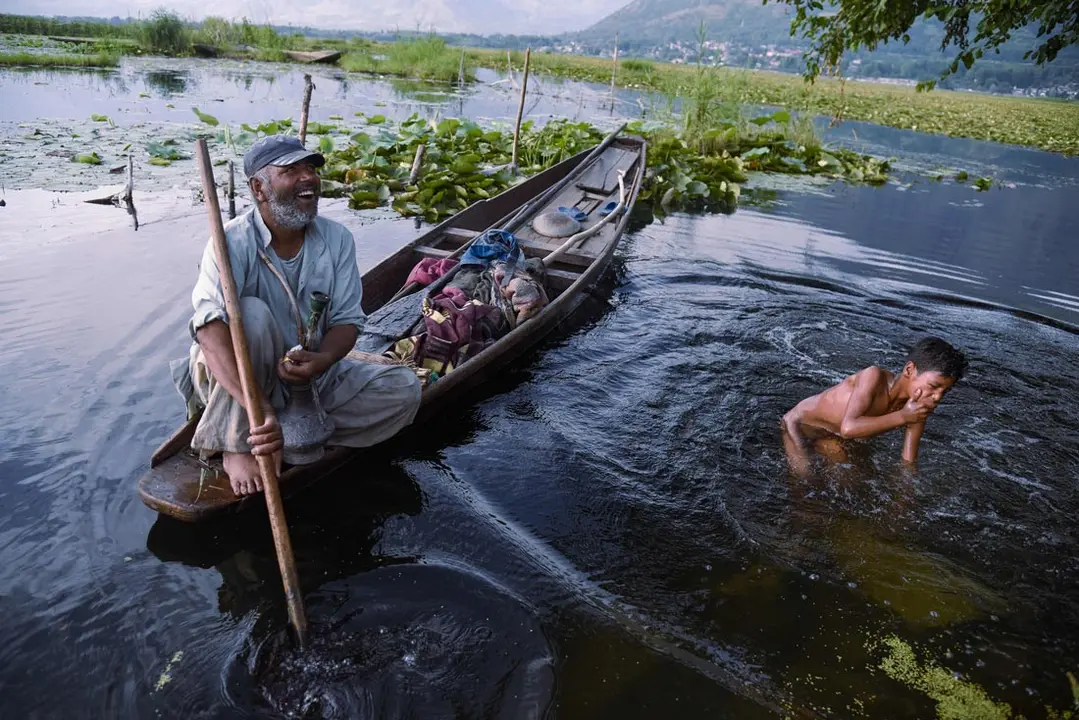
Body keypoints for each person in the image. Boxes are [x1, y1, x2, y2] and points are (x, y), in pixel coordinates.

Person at [171, 135, 421, 496]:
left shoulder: (336, 239)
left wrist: (321, 359)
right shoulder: (231, 242)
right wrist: (257, 407)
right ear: (259, 188)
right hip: (245, 381)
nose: (308, 178)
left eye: (311, 169)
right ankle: (238, 440)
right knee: (251, 316)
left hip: (306, 382)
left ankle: (286, 434)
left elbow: (348, 322)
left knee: (404, 390)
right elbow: (208, 329)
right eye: (291, 170)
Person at [781, 337, 967, 474]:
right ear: (909, 370)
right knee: (804, 482)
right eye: (934, 387)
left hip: (834, 436)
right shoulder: (873, 376)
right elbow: (848, 428)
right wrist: (903, 417)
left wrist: (904, 499)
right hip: (800, 426)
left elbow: (908, 461)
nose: (937, 397)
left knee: (854, 479)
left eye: (945, 392)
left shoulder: (916, 408)